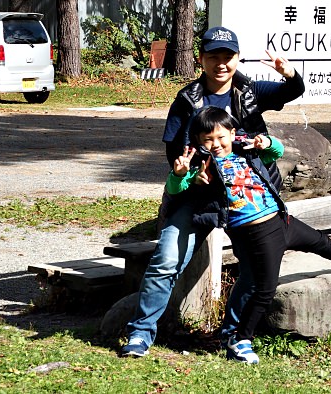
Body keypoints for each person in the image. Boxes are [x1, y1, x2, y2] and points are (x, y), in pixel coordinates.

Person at [122, 26, 305, 358]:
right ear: (201, 59)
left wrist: (288, 72)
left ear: (236, 58)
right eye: (213, 57)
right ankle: (140, 333)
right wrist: (192, 176)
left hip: (246, 198)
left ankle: (231, 334)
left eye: (228, 56)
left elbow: (293, 90)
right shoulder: (187, 99)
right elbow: (174, 152)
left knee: (252, 270)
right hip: (198, 196)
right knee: (167, 259)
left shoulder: (249, 91)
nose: (221, 64)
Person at [167, 107, 331, 364]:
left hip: (280, 218)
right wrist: (180, 175)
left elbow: (276, 152)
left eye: (221, 137)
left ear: (232, 133)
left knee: (318, 241)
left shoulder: (246, 151)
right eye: (207, 139)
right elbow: (176, 189)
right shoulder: (202, 165)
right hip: (254, 232)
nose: (215, 144)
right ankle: (240, 339)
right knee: (264, 288)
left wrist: (267, 142)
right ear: (199, 141)